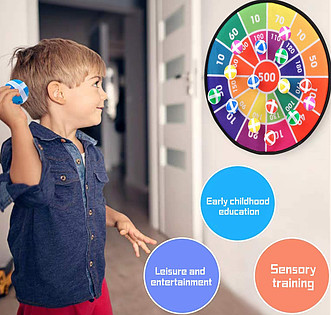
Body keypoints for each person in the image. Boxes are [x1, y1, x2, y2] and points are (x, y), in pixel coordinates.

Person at [0, 38, 157, 315]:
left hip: (92, 282)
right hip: (52, 296)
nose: (105, 95)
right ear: (58, 93)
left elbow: (85, 203)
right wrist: (17, 124)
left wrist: (117, 217)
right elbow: (33, 189)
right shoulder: (24, 146)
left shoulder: (91, 150)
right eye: (96, 84)